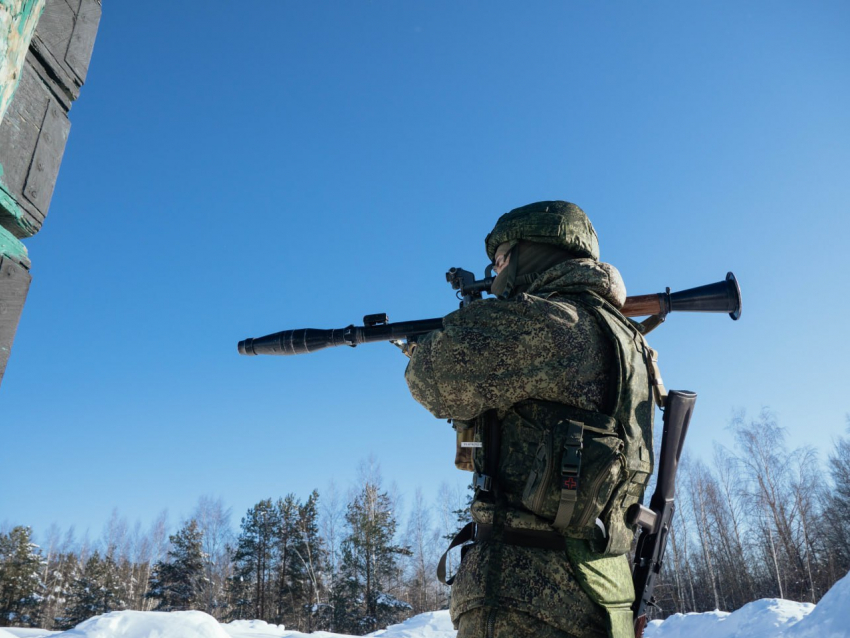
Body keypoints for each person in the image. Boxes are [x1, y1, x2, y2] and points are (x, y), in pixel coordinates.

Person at [404, 201, 655, 638]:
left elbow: (432, 378)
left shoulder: (547, 323)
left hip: (527, 598)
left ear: (533, 254)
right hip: (602, 589)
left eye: (501, 260)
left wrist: (434, 341)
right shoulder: (631, 341)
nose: (495, 272)